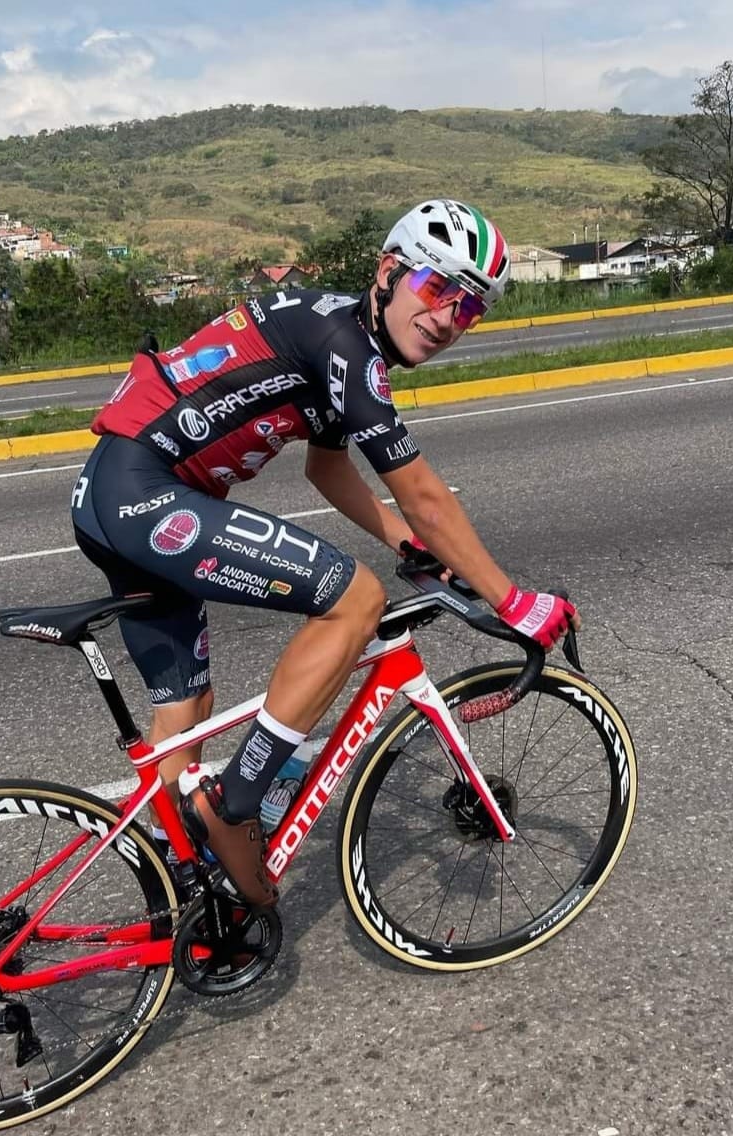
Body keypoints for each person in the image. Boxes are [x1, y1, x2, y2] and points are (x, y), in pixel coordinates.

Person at [71, 198, 576, 907]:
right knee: (356, 601)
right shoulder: (345, 345)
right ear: (388, 272)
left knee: (186, 705)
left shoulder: (338, 333)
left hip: (110, 493)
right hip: (145, 493)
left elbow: (327, 468)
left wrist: (407, 544)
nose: (445, 318)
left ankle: (183, 888)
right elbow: (425, 497)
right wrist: (514, 601)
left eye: (468, 308)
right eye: (437, 287)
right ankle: (234, 805)